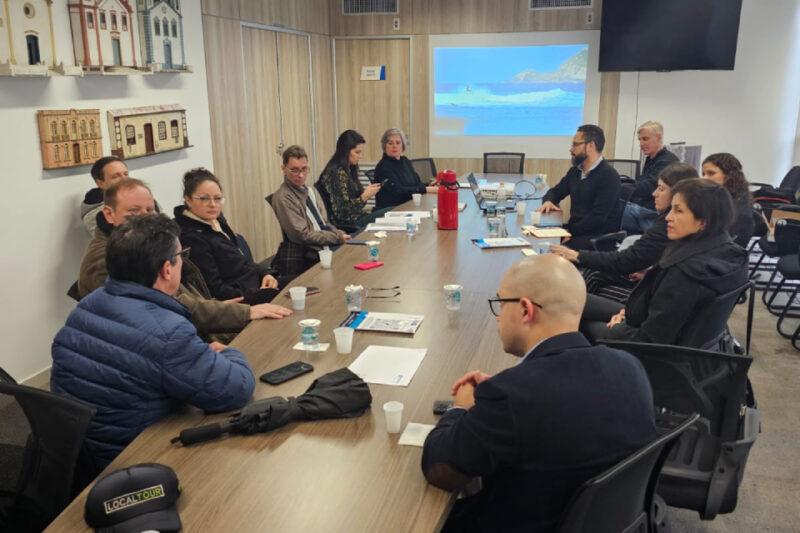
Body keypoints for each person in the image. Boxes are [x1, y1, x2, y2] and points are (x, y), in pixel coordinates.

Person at [421, 255, 656, 532]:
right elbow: (561, 403)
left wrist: (459, 408)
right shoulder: (630, 367)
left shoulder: (513, 396)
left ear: (524, 310)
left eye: (500, 304)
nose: (498, 317)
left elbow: (440, 467)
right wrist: (508, 389)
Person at [52, 214, 256, 474]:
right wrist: (229, 353)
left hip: (82, 456)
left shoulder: (87, 306)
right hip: (134, 460)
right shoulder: (168, 332)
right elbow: (236, 389)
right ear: (167, 269)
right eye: (182, 255)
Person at [78, 178, 291, 340]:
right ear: (109, 214)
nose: (145, 218)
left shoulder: (143, 243)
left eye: (150, 210)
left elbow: (181, 300)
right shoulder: (106, 259)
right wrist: (241, 313)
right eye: (134, 212)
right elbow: (166, 311)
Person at [581, 179, 749, 347]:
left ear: (702, 222)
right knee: (578, 300)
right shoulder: (731, 253)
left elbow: (649, 340)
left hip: (649, 353)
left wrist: (619, 327)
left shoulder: (684, 273)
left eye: (678, 211)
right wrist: (630, 314)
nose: (668, 217)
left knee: (573, 315)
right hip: (692, 352)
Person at [552, 162, 699, 302]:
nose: (654, 194)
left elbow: (627, 261)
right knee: (594, 278)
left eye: (661, 189)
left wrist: (577, 255)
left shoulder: (667, 226)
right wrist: (652, 272)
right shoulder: (681, 225)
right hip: (654, 284)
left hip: (652, 299)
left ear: (678, 195)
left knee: (583, 294)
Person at [175, 168, 283, 304]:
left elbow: (241, 258)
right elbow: (215, 288)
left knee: (301, 285)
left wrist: (265, 273)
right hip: (240, 298)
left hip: (254, 282)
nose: (213, 204)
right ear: (188, 200)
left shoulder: (215, 219)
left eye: (218, 198)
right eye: (204, 199)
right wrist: (258, 293)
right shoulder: (190, 236)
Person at [270, 145, 350, 276]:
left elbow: (323, 223)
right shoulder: (283, 197)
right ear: (283, 169)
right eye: (294, 170)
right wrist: (336, 237)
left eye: (304, 169)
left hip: (324, 245)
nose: (301, 175)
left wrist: (338, 232)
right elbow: (303, 236)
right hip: (308, 253)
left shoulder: (309, 190)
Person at [538, 124, 621, 251]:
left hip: (595, 239)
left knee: (546, 252)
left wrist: (570, 233)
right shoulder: (575, 171)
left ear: (590, 146)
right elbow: (555, 191)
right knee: (539, 240)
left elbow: (597, 219)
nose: (571, 150)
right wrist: (548, 201)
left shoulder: (609, 176)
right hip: (576, 232)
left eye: (575, 145)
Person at [621, 121, 680, 234]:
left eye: (645, 139)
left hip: (653, 213)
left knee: (613, 210)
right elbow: (643, 182)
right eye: (640, 140)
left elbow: (648, 187)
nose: (641, 144)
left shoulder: (667, 161)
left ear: (658, 137)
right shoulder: (652, 158)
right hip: (645, 208)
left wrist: (617, 188)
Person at [318, 129, 382, 227]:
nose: (360, 156)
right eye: (357, 152)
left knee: (391, 212)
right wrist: (364, 196)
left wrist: (365, 194)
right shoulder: (335, 173)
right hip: (347, 225)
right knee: (388, 213)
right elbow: (342, 213)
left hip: (357, 218)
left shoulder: (349, 169)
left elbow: (355, 204)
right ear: (345, 151)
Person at [374, 128, 438, 210]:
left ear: (402, 146)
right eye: (390, 143)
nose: (394, 146)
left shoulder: (405, 161)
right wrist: (426, 189)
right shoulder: (383, 166)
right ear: (385, 146)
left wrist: (430, 186)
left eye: (398, 143)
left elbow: (417, 183)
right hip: (392, 210)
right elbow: (399, 191)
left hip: (409, 205)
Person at [702, 153, 755, 248]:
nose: (704, 178)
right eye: (703, 174)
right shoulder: (720, 197)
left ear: (729, 175)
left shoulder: (738, 208)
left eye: (711, 173)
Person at [81, 156, 129, 235]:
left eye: (125, 174)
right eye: (116, 176)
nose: (124, 180)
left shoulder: (140, 198)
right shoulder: (95, 216)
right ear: (100, 183)